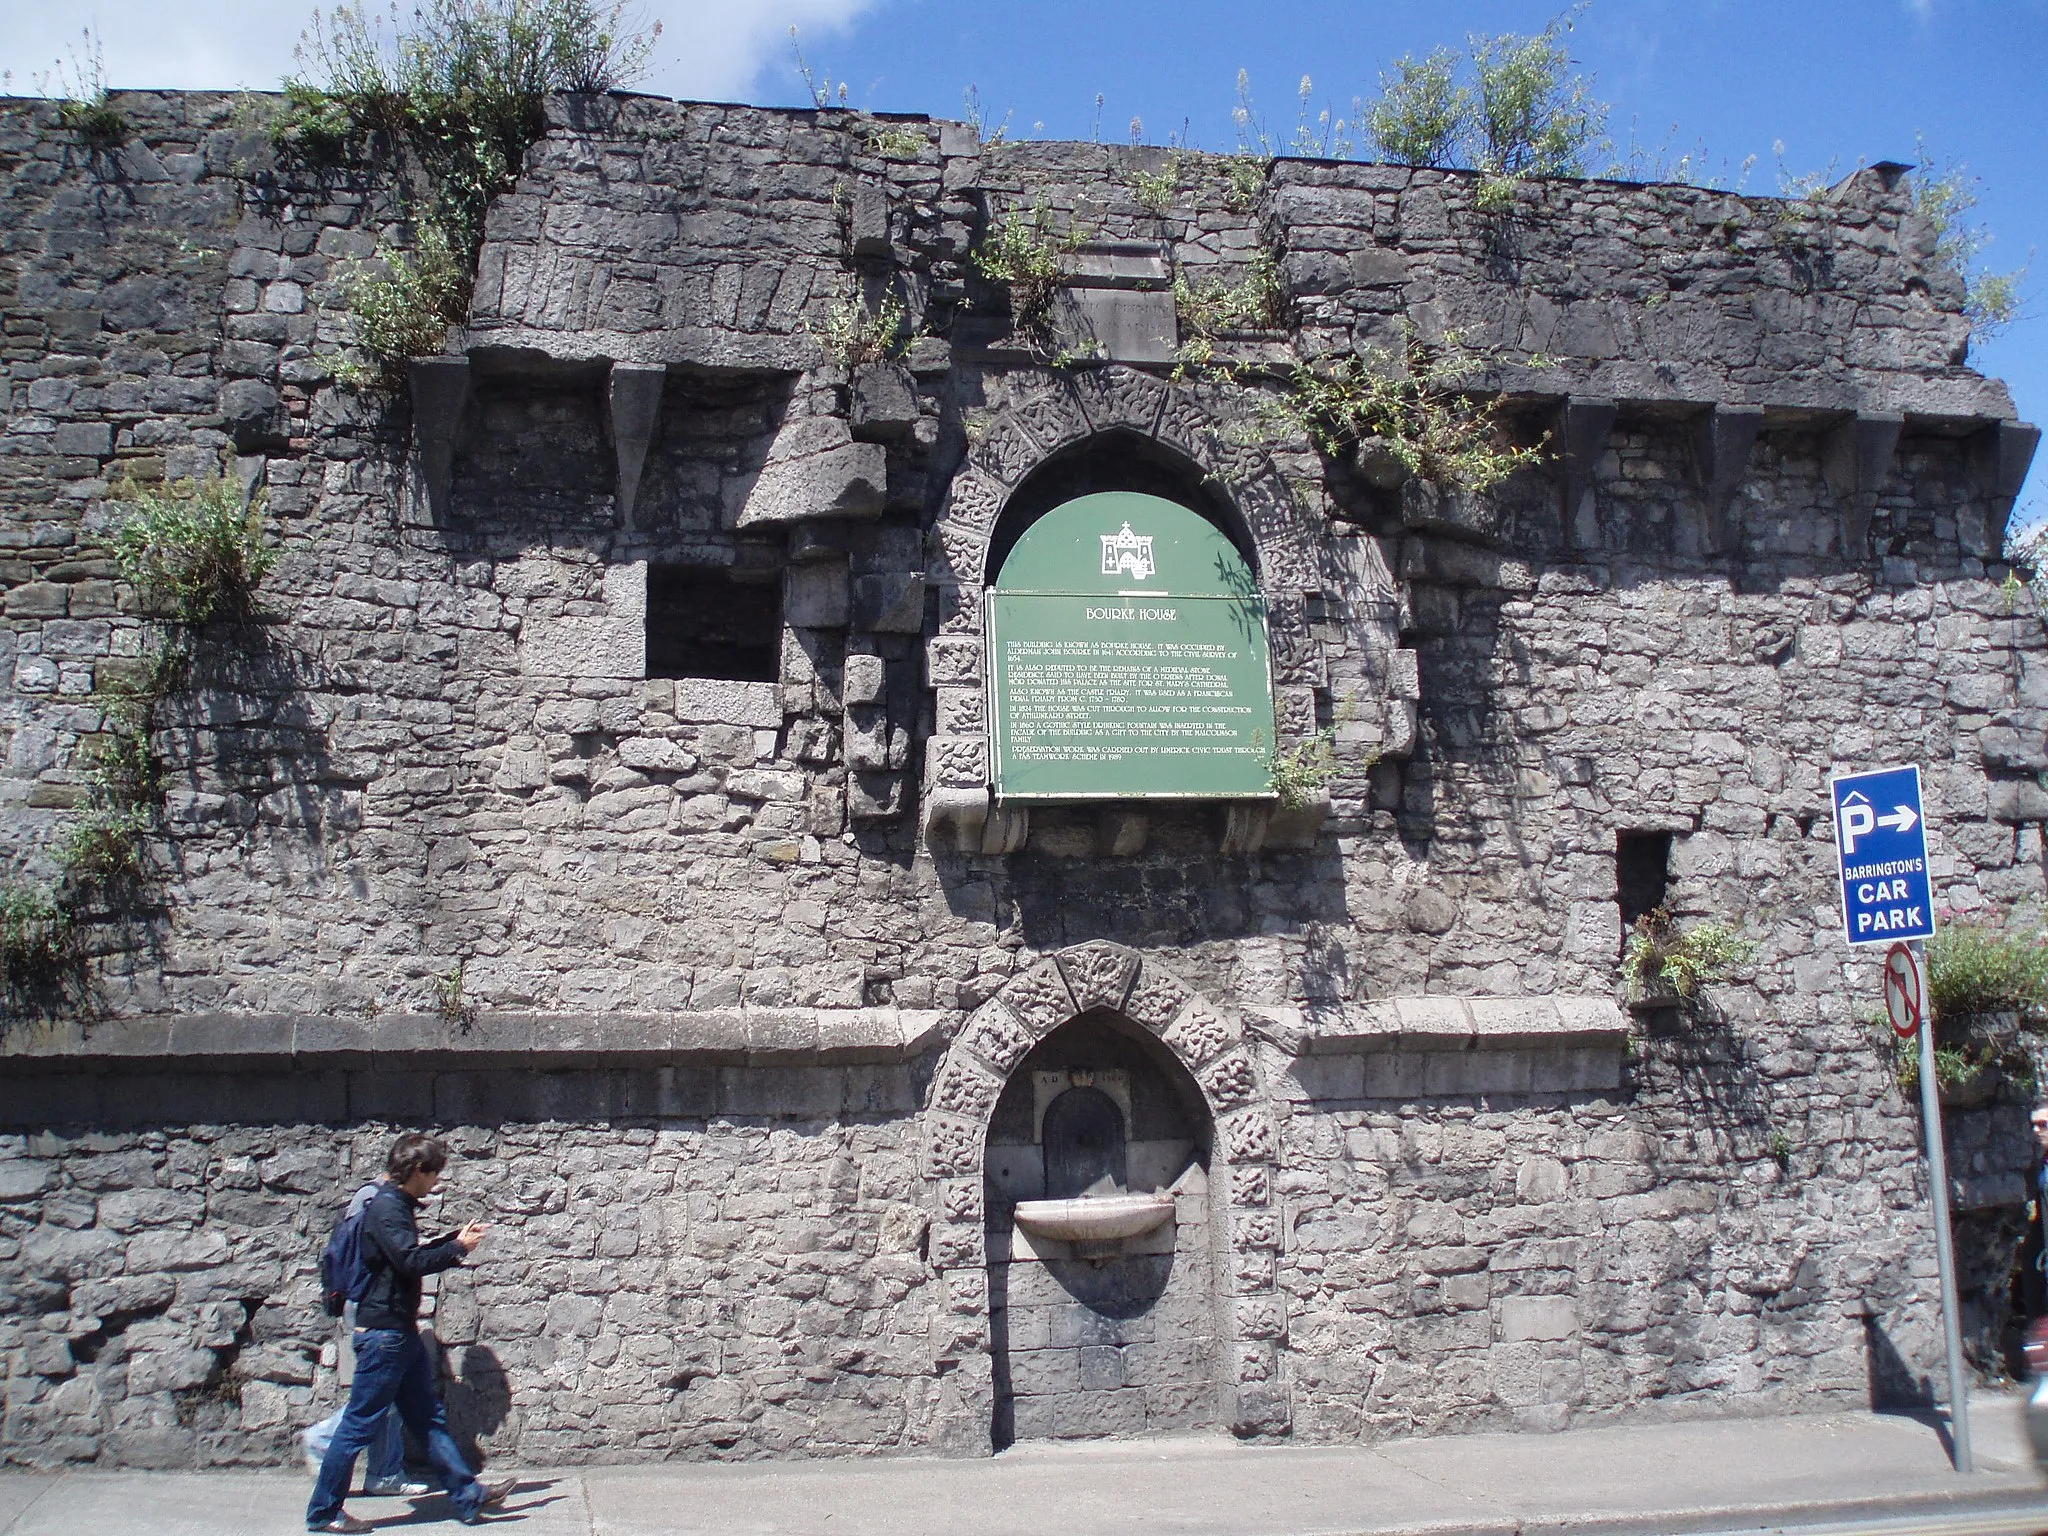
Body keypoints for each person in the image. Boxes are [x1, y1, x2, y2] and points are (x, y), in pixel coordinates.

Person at [306, 1134, 515, 1534]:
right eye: (434, 1174)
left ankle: (468, 1494)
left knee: (428, 1418)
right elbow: (409, 1261)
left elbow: (406, 1254)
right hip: (384, 1335)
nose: (436, 1183)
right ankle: (324, 1512)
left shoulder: (395, 1206)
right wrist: (457, 1250)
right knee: (357, 1426)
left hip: (398, 1334)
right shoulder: (387, 1208)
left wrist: (451, 1241)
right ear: (418, 1170)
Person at [301, 1172, 423, 1496]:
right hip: (369, 1306)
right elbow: (390, 1260)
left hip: (369, 1305)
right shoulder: (378, 1202)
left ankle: (384, 1472)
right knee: (375, 1395)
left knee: (389, 1394)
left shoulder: (371, 1199)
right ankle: (323, 1439)